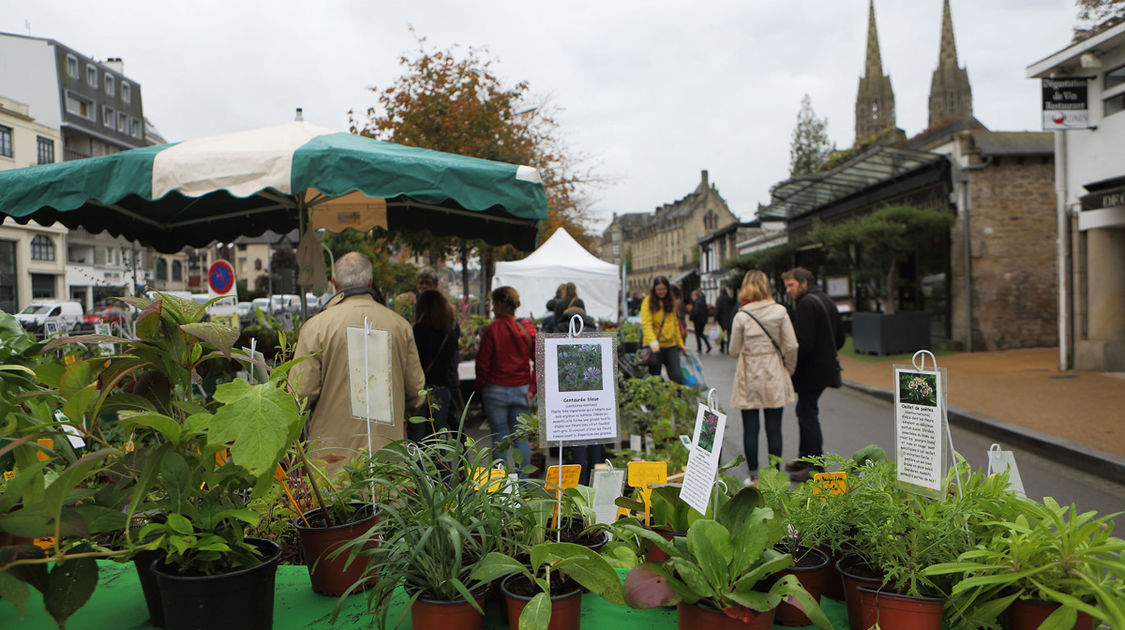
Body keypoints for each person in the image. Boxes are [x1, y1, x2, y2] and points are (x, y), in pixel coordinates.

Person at [291, 252, 425, 467]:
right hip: (388, 457)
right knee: (386, 498)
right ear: (370, 281)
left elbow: (299, 394)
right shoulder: (400, 326)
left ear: (334, 283)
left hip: (332, 460)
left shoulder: (315, 327)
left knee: (336, 499)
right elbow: (417, 393)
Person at [729, 270, 797, 484]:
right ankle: (774, 475)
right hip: (773, 369)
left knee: (750, 427)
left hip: (749, 371)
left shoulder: (742, 315)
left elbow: (733, 349)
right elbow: (791, 345)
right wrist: (789, 368)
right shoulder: (779, 311)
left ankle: (754, 475)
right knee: (774, 426)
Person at [783, 267, 845, 482]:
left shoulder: (807, 304)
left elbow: (805, 343)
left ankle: (815, 465)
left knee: (808, 413)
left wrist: (793, 366)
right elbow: (840, 338)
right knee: (805, 411)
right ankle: (806, 458)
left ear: (804, 283)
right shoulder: (825, 300)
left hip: (812, 370)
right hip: (824, 367)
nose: (789, 290)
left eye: (791, 285)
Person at [475, 286, 537, 474]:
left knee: (499, 440)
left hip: (495, 391)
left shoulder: (491, 329)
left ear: (501, 304)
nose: (493, 308)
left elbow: (483, 363)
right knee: (521, 439)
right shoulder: (526, 328)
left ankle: (499, 485)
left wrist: (480, 387)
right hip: (522, 390)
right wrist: (532, 388)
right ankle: (524, 484)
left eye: (494, 303)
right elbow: (541, 360)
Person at [411, 289, 461, 442]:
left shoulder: (418, 331)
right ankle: (442, 465)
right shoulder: (449, 334)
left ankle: (419, 466)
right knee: (439, 436)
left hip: (421, 389)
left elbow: (414, 361)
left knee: (418, 437)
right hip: (442, 389)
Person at [640, 276, 685, 384]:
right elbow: (646, 324)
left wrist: (680, 343)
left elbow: (674, 324)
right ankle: (656, 399)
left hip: (671, 345)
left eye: (663, 289)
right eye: (658, 289)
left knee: (677, 377)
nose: (661, 292)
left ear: (667, 289)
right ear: (654, 290)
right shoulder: (648, 301)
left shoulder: (670, 301)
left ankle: (676, 398)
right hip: (655, 346)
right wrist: (653, 342)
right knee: (655, 378)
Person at [689, 289, 712, 353]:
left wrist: (692, 317)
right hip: (703, 320)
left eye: (693, 296)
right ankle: (708, 345)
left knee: (698, 334)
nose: (692, 297)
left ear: (696, 296)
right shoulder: (702, 302)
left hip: (698, 321)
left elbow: (696, 312)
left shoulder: (697, 303)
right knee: (701, 334)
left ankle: (699, 348)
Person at [715, 287, 736, 354]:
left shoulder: (719, 299)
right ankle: (728, 348)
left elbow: (717, 310)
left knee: (721, 334)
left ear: (721, 292)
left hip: (721, 319)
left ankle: (722, 347)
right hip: (729, 319)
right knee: (729, 334)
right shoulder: (730, 299)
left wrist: (716, 318)